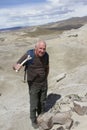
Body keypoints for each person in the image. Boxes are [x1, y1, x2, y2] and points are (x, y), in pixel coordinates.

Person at [13, 40, 49, 129]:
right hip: (33, 85)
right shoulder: (29, 55)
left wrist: (45, 78)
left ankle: (41, 116)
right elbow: (16, 65)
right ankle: (33, 120)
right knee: (34, 104)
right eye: (40, 48)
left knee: (42, 101)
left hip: (43, 83)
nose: (42, 51)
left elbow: (47, 67)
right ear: (36, 48)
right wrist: (15, 67)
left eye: (44, 49)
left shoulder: (46, 55)